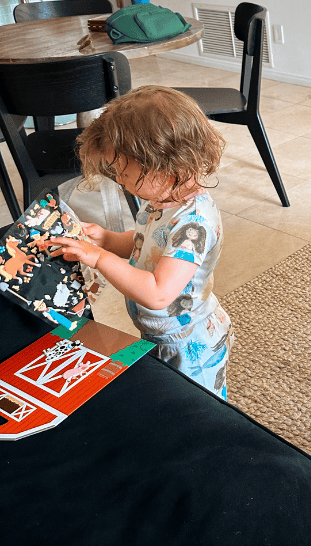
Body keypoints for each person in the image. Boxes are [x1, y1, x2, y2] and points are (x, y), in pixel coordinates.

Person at [47, 85, 233, 400]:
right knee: (164, 399)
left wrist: (98, 258)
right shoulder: (161, 198)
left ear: (165, 163)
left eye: (124, 173)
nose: (118, 180)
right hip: (162, 334)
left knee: (195, 412)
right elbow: (143, 246)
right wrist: (106, 239)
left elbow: (158, 293)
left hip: (189, 343)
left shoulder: (194, 225)